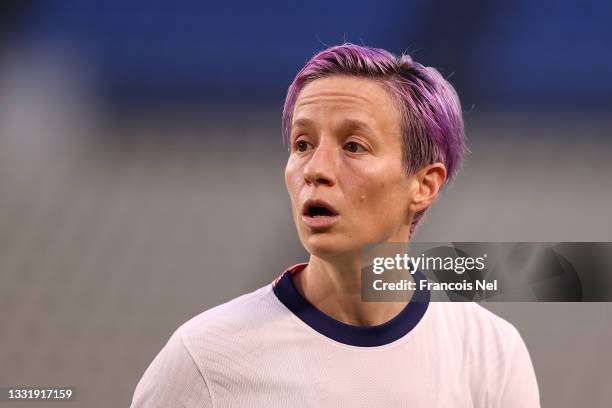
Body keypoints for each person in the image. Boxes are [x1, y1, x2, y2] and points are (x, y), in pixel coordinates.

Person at [130, 43, 540, 407]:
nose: (316, 169)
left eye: (353, 146)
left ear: (423, 184)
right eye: (302, 144)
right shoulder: (204, 360)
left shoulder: (490, 355)